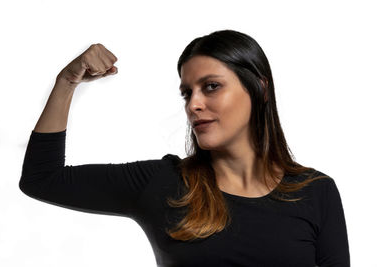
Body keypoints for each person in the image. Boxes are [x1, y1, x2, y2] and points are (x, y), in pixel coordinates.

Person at [19, 29, 350, 266]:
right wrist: (67, 82)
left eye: (211, 87)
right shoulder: (165, 182)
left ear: (260, 89)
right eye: (187, 93)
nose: (194, 104)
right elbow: (42, 178)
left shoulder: (316, 192)